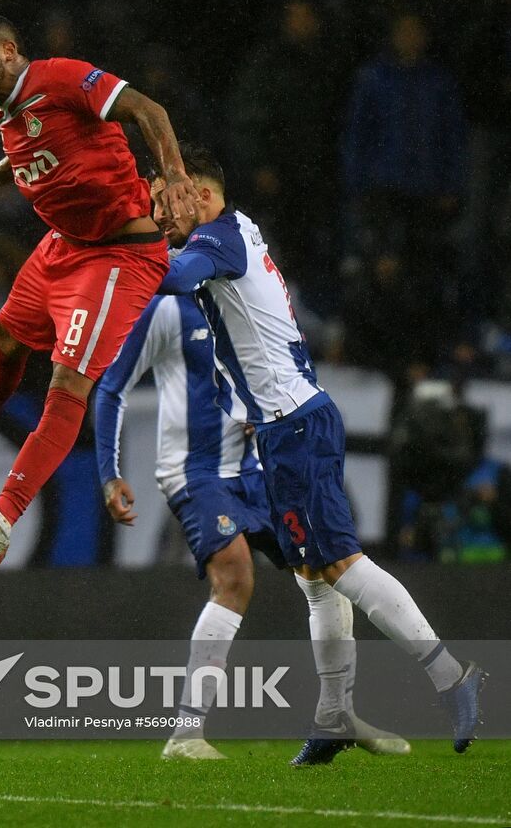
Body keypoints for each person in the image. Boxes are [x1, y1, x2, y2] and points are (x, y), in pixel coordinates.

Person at [151, 143, 487, 759]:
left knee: (338, 566)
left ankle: (452, 678)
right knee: (313, 580)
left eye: (165, 199)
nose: (158, 213)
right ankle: (334, 713)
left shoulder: (219, 240)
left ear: (200, 193)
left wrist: (114, 246)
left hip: (295, 427)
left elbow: (170, 276)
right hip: (287, 427)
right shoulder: (236, 228)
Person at [0, 13, 198, 565]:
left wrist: (179, 178)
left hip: (116, 255)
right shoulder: (10, 112)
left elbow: (150, 110)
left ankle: (1, 517)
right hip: (61, 247)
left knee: (67, 383)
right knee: (1, 340)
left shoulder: (61, 78)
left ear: (8, 49)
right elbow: (28, 154)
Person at [95, 285, 409, 762]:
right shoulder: (168, 310)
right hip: (193, 472)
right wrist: (108, 471)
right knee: (235, 575)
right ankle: (185, 734)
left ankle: (337, 712)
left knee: (324, 568)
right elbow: (112, 386)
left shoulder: (248, 306)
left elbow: (291, 372)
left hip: (253, 470)